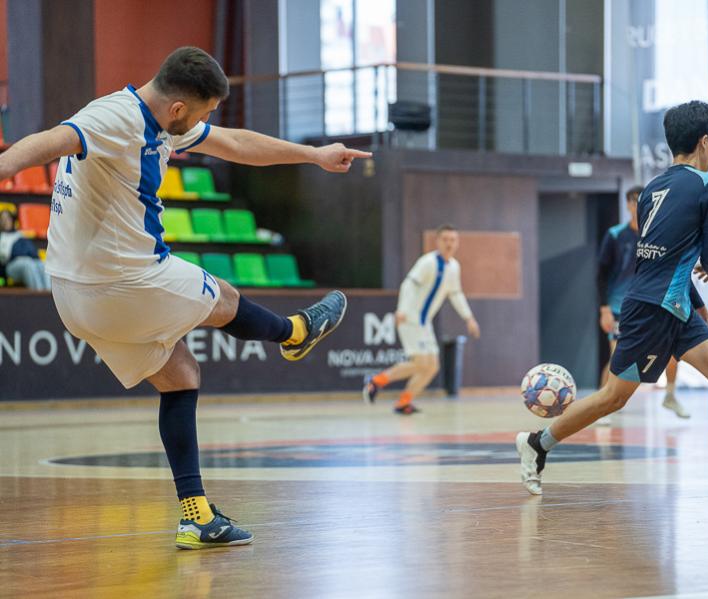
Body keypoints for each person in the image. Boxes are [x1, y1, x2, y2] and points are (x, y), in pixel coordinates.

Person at [0, 47, 371, 549]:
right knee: (223, 296)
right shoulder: (116, 118)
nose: (205, 121)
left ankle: (196, 516)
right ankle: (294, 334)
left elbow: (235, 143)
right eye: (203, 112)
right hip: (121, 281)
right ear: (178, 107)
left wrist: (314, 155)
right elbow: (47, 141)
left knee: (180, 374)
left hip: (73, 294)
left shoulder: (163, 118)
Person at [516, 100, 708, 500]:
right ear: (705, 142)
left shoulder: (654, 188)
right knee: (613, 397)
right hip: (656, 310)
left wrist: (702, 313)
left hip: (669, 304)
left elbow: (664, 263)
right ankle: (538, 443)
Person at [363, 224, 480, 414]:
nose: (449, 244)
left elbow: (456, 294)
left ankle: (403, 402)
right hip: (410, 318)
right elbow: (408, 284)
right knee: (420, 363)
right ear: (438, 241)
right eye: (445, 239)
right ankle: (376, 381)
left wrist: (469, 318)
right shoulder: (428, 262)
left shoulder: (454, 267)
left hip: (425, 323)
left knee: (432, 367)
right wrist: (402, 309)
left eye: (452, 240)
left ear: (457, 242)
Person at [598, 185, 689, 419]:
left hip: (654, 303)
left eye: (644, 201)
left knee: (672, 353)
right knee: (617, 357)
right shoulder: (616, 235)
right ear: (628, 205)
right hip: (621, 307)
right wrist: (604, 309)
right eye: (635, 202)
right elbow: (601, 274)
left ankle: (670, 396)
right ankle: (600, 406)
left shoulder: (658, 234)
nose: (639, 206)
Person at [0, 208, 51, 290]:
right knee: (27, 264)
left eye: (8, 218)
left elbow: (33, 252)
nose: (5, 221)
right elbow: (4, 259)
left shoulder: (20, 235)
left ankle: (48, 293)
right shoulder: (1, 237)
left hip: (29, 261)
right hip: (10, 266)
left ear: (12, 220)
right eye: (2, 219)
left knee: (44, 265)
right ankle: (39, 295)